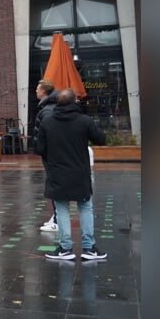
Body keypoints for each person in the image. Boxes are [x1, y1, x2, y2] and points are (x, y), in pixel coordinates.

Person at [35, 89, 107, 260]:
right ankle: (89, 247)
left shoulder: (47, 122)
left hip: (57, 172)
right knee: (85, 208)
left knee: (62, 209)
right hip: (80, 172)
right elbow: (101, 139)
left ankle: (65, 248)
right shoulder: (84, 121)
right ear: (75, 101)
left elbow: (39, 149)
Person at [34, 79, 60, 231]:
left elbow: (48, 133)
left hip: (52, 155)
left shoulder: (48, 110)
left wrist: (42, 149)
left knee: (54, 184)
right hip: (50, 153)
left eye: (38, 88)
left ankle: (57, 220)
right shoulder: (48, 107)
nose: (36, 91)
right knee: (53, 184)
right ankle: (56, 216)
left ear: (44, 91)